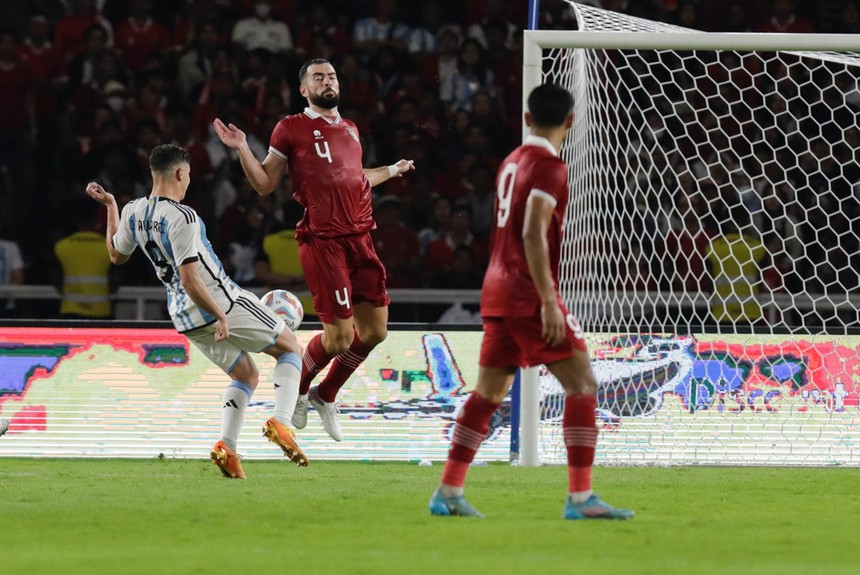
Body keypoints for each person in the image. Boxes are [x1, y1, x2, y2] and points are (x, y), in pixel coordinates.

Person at [428, 83, 634, 520]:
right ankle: (580, 499)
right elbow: (532, 232)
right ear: (570, 122)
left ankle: (448, 490)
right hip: (526, 293)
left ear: (526, 119)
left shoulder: (510, 162)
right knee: (583, 385)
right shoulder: (550, 167)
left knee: (488, 393)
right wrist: (547, 300)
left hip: (496, 290)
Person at [212, 58, 414, 442]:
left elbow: (357, 179)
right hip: (323, 242)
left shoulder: (351, 129)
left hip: (362, 238)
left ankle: (325, 395)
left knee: (374, 332)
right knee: (338, 338)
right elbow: (264, 184)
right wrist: (242, 148)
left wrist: (391, 169)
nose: (328, 81)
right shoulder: (291, 127)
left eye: (333, 75)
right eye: (318, 77)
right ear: (304, 89)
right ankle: (297, 390)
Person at [85, 144, 308, 479]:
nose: (188, 180)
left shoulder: (132, 211)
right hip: (221, 301)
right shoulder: (184, 217)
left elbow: (116, 255)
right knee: (290, 347)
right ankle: (282, 421)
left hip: (184, 316)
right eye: (187, 174)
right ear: (179, 173)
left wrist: (112, 206)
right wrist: (220, 315)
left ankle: (227, 447)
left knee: (245, 374)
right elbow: (191, 278)